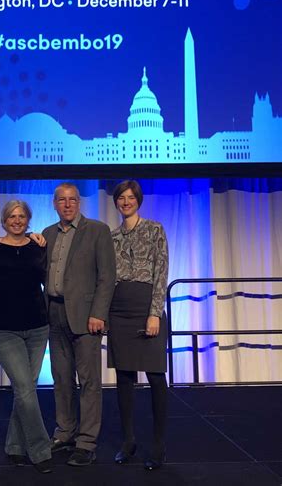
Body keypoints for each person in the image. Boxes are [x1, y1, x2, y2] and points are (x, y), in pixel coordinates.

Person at [43, 182, 116, 466]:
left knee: (88, 381)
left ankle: (86, 441)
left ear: (79, 202)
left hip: (87, 317)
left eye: (72, 199)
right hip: (54, 314)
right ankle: (65, 432)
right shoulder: (48, 234)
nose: (67, 204)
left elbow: (107, 276)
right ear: (54, 204)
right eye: (62, 200)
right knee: (61, 379)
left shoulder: (97, 230)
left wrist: (99, 313)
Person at [0, 200, 52, 474]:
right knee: (24, 388)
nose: (17, 220)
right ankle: (41, 450)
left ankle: (14, 445)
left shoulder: (38, 247)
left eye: (22, 216)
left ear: (28, 219)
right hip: (4, 329)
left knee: (26, 390)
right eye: (12, 216)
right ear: (3, 220)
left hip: (37, 326)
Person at [108, 180, 169, 470]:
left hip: (146, 308)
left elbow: (161, 272)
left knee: (155, 376)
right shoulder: (111, 237)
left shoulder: (155, 229)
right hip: (119, 311)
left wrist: (155, 312)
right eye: (121, 197)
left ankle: (158, 445)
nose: (125, 202)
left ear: (139, 200)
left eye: (130, 197)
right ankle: (128, 440)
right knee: (124, 377)